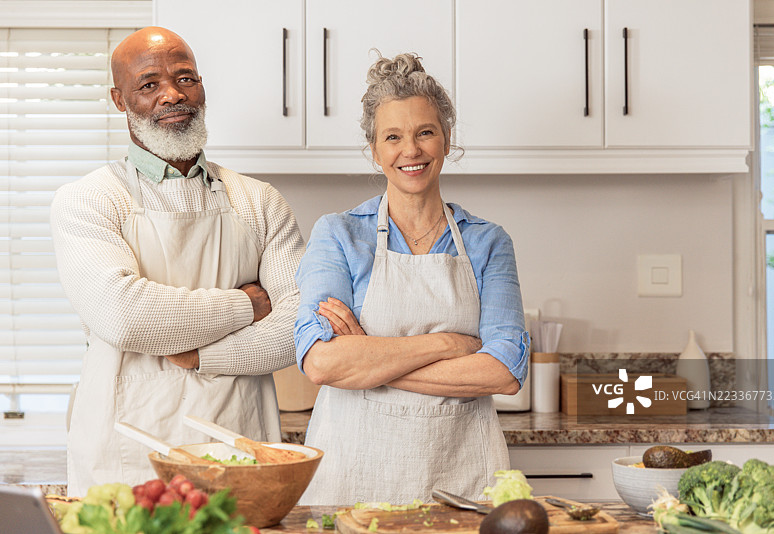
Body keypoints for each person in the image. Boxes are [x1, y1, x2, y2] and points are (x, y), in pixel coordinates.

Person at [50, 27, 304, 495]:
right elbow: (125, 315)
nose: (172, 94)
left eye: (185, 77)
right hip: (126, 452)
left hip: (240, 446)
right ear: (119, 99)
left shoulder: (260, 201)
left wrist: (201, 356)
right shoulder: (88, 200)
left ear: (202, 85)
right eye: (148, 84)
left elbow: (297, 326)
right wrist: (245, 307)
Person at [294, 52, 529, 505]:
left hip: (462, 478)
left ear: (445, 139)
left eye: (425, 132)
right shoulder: (338, 234)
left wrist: (369, 361)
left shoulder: (488, 243)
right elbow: (322, 364)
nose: (411, 150)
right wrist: (449, 344)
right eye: (393, 137)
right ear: (375, 149)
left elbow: (502, 372)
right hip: (353, 478)